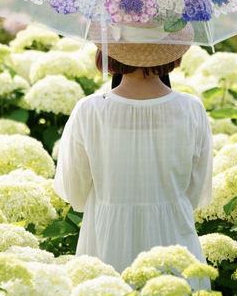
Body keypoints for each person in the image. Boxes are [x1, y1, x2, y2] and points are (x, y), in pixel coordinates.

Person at [53, 25, 214, 274]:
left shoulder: (90, 111)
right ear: (171, 51)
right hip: (174, 238)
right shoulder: (191, 109)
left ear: (108, 51)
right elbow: (195, 193)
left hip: (107, 240)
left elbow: (75, 193)